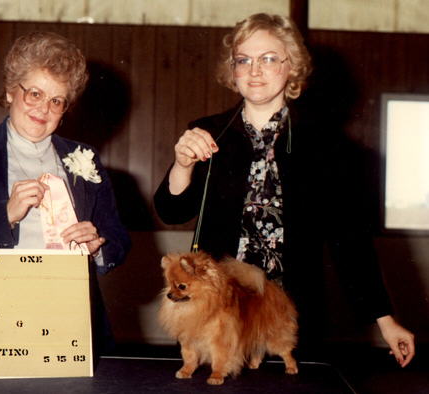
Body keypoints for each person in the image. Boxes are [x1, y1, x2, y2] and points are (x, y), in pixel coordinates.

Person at [154, 13, 414, 367]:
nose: (255, 70)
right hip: (219, 315)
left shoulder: (325, 144)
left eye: (269, 58)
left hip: (288, 317)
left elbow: (350, 241)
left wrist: (386, 320)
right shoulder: (206, 131)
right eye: (243, 60)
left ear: (292, 68)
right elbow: (172, 212)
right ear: (233, 72)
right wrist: (183, 163)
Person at [0, 31, 130, 356]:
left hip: (64, 320)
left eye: (56, 100)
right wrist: (5, 216)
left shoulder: (84, 158)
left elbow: (116, 239)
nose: (44, 108)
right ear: (10, 91)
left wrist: (97, 244)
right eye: (34, 93)